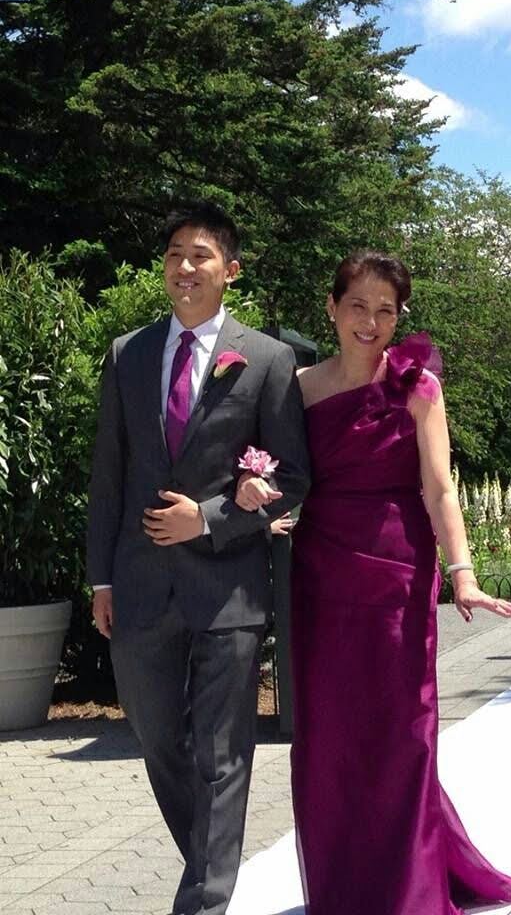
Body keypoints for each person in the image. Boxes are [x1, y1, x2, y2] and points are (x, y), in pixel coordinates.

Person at [235, 249, 511, 915]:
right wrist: (253, 488)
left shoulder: (417, 387)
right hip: (320, 574)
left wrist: (462, 572)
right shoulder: (296, 387)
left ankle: (409, 890)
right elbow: (266, 466)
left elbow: (439, 488)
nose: (370, 322)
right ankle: (342, 889)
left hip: (398, 570)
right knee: (330, 737)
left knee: (402, 732)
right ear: (332, 308)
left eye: (385, 310)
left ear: (399, 317)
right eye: (357, 306)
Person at [87, 200, 310, 915]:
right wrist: (100, 578)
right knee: (158, 742)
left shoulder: (267, 360)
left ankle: (204, 902)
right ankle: (211, 865)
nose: (185, 266)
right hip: (140, 584)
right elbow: (109, 475)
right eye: (175, 253)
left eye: (201, 255)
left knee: (222, 755)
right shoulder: (128, 353)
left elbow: (291, 478)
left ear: (230, 270)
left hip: (228, 592)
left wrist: (210, 519)